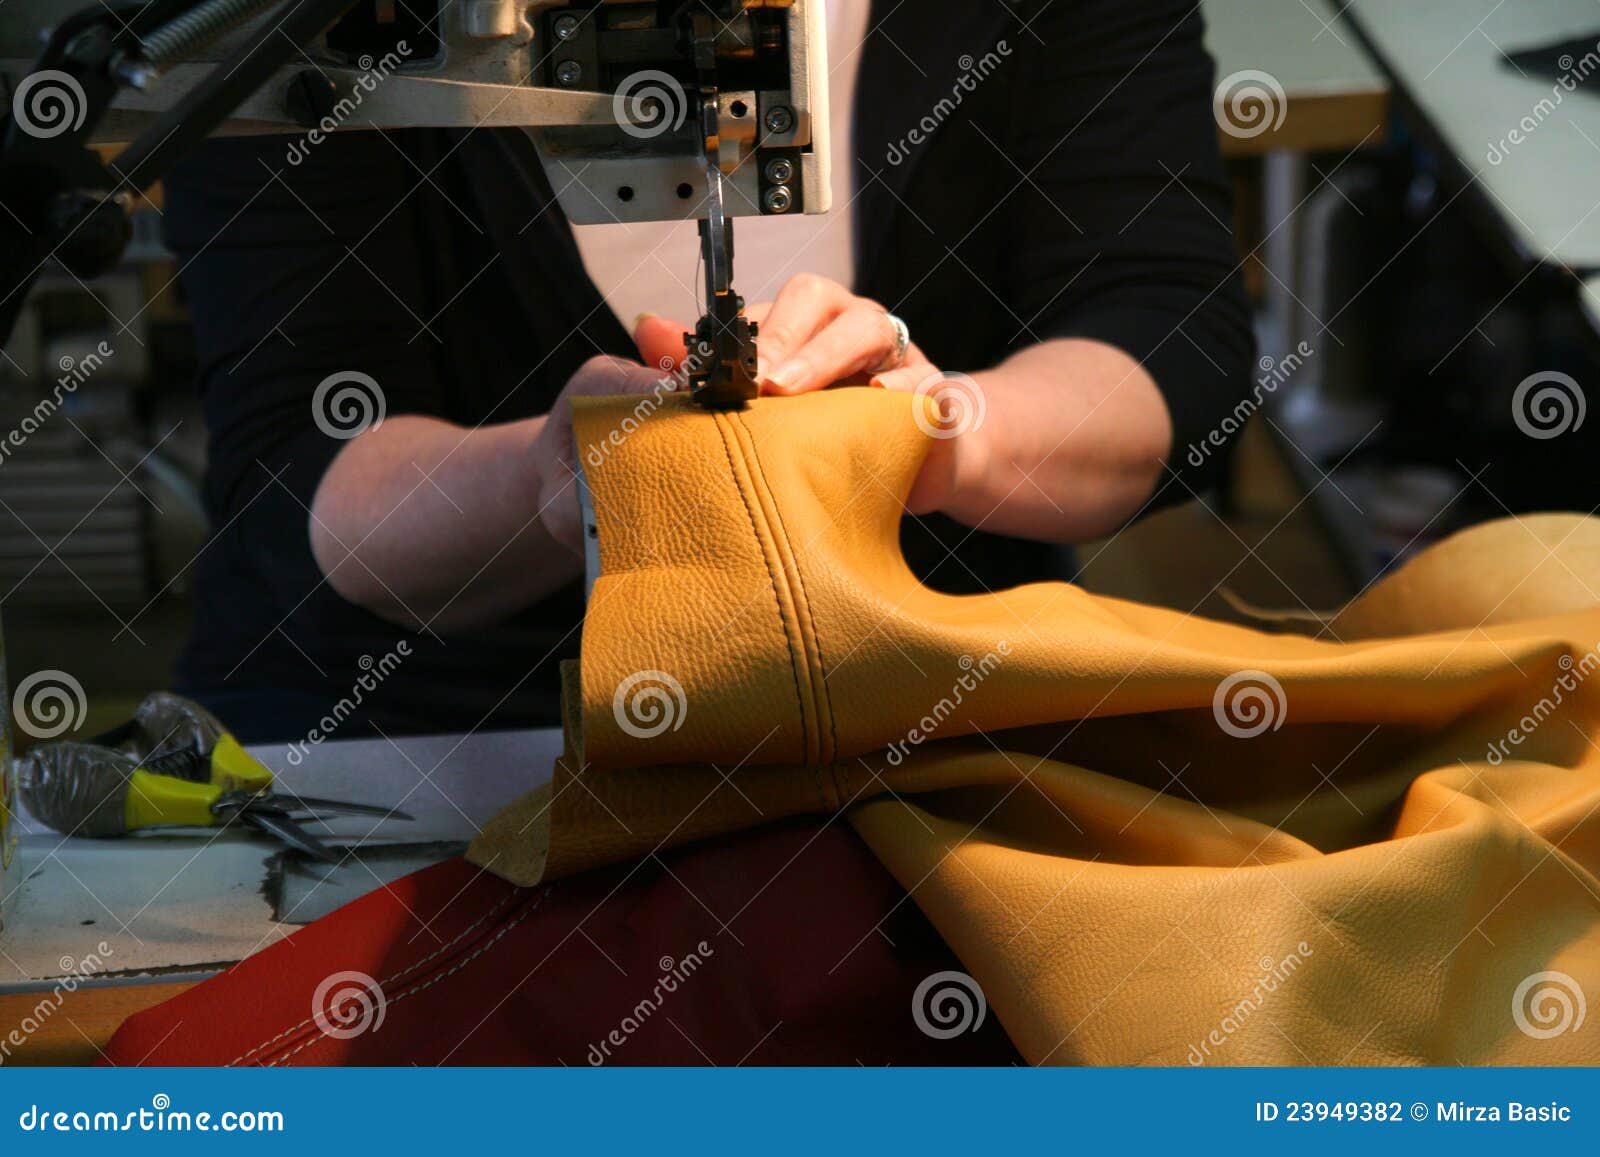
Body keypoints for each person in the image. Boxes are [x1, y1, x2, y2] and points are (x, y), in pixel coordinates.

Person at [163, 0, 1252, 741]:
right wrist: (550, 477)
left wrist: (939, 428)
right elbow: (296, 461)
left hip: (918, 709)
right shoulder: (307, 27)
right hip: (425, 734)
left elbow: (1164, 326)